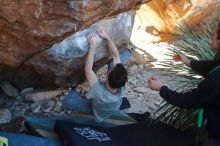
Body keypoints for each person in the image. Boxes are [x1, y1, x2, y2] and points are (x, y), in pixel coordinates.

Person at [148, 23, 220, 145]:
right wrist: (187, 61)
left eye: (213, 35)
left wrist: (161, 88)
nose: (210, 37)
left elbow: (187, 101)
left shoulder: (215, 81)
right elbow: (211, 66)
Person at [63, 27, 132, 122]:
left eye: (109, 71)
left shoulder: (100, 92)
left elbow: (88, 70)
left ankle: (78, 89)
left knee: (68, 102)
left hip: (98, 111)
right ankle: (128, 51)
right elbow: (115, 55)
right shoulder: (121, 84)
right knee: (115, 62)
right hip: (112, 104)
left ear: (107, 76)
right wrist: (107, 37)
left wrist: (92, 47)